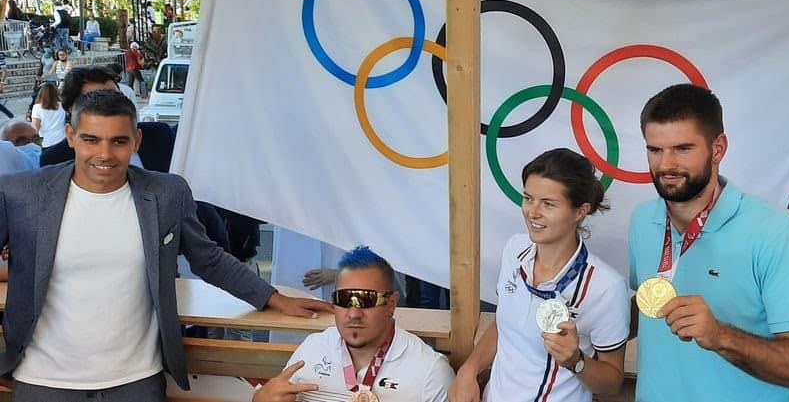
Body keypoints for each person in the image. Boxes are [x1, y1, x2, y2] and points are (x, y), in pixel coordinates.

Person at [0, 90, 333, 401]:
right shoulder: (22, 193)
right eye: (91, 140)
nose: (104, 153)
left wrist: (273, 298)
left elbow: (209, 259)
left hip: (136, 381)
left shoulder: (166, 194)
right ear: (71, 136)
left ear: (136, 140)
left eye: (118, 141)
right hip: (43, 381)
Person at [629, 84, 789, 401]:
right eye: (655, 150)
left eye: (682, 148)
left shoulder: (779, 235)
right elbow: (647, 311)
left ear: (718, 148)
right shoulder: (642, 221)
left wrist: (719, 335)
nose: (665, 165)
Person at [451, 149, 630, 402]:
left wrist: (575, 361)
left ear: (580, 211)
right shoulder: (515, 249)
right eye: (528, 198)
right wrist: (469, 370)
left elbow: (611, 383)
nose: (532, 212)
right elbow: (505, 324)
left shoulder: (607, 287)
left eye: (548, 203)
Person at [254, 246, 454, 402]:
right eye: (343, 299)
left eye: (366, 300)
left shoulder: (430, 372)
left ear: (391, 303)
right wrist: (260, 399)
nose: (353, 314)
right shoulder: (312, 349)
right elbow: (271, 395)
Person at [30, 83, 66, 148]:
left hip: (47, 143)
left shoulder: (37, 107)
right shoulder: (62, 105)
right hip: (63, 140)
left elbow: (35, 129)